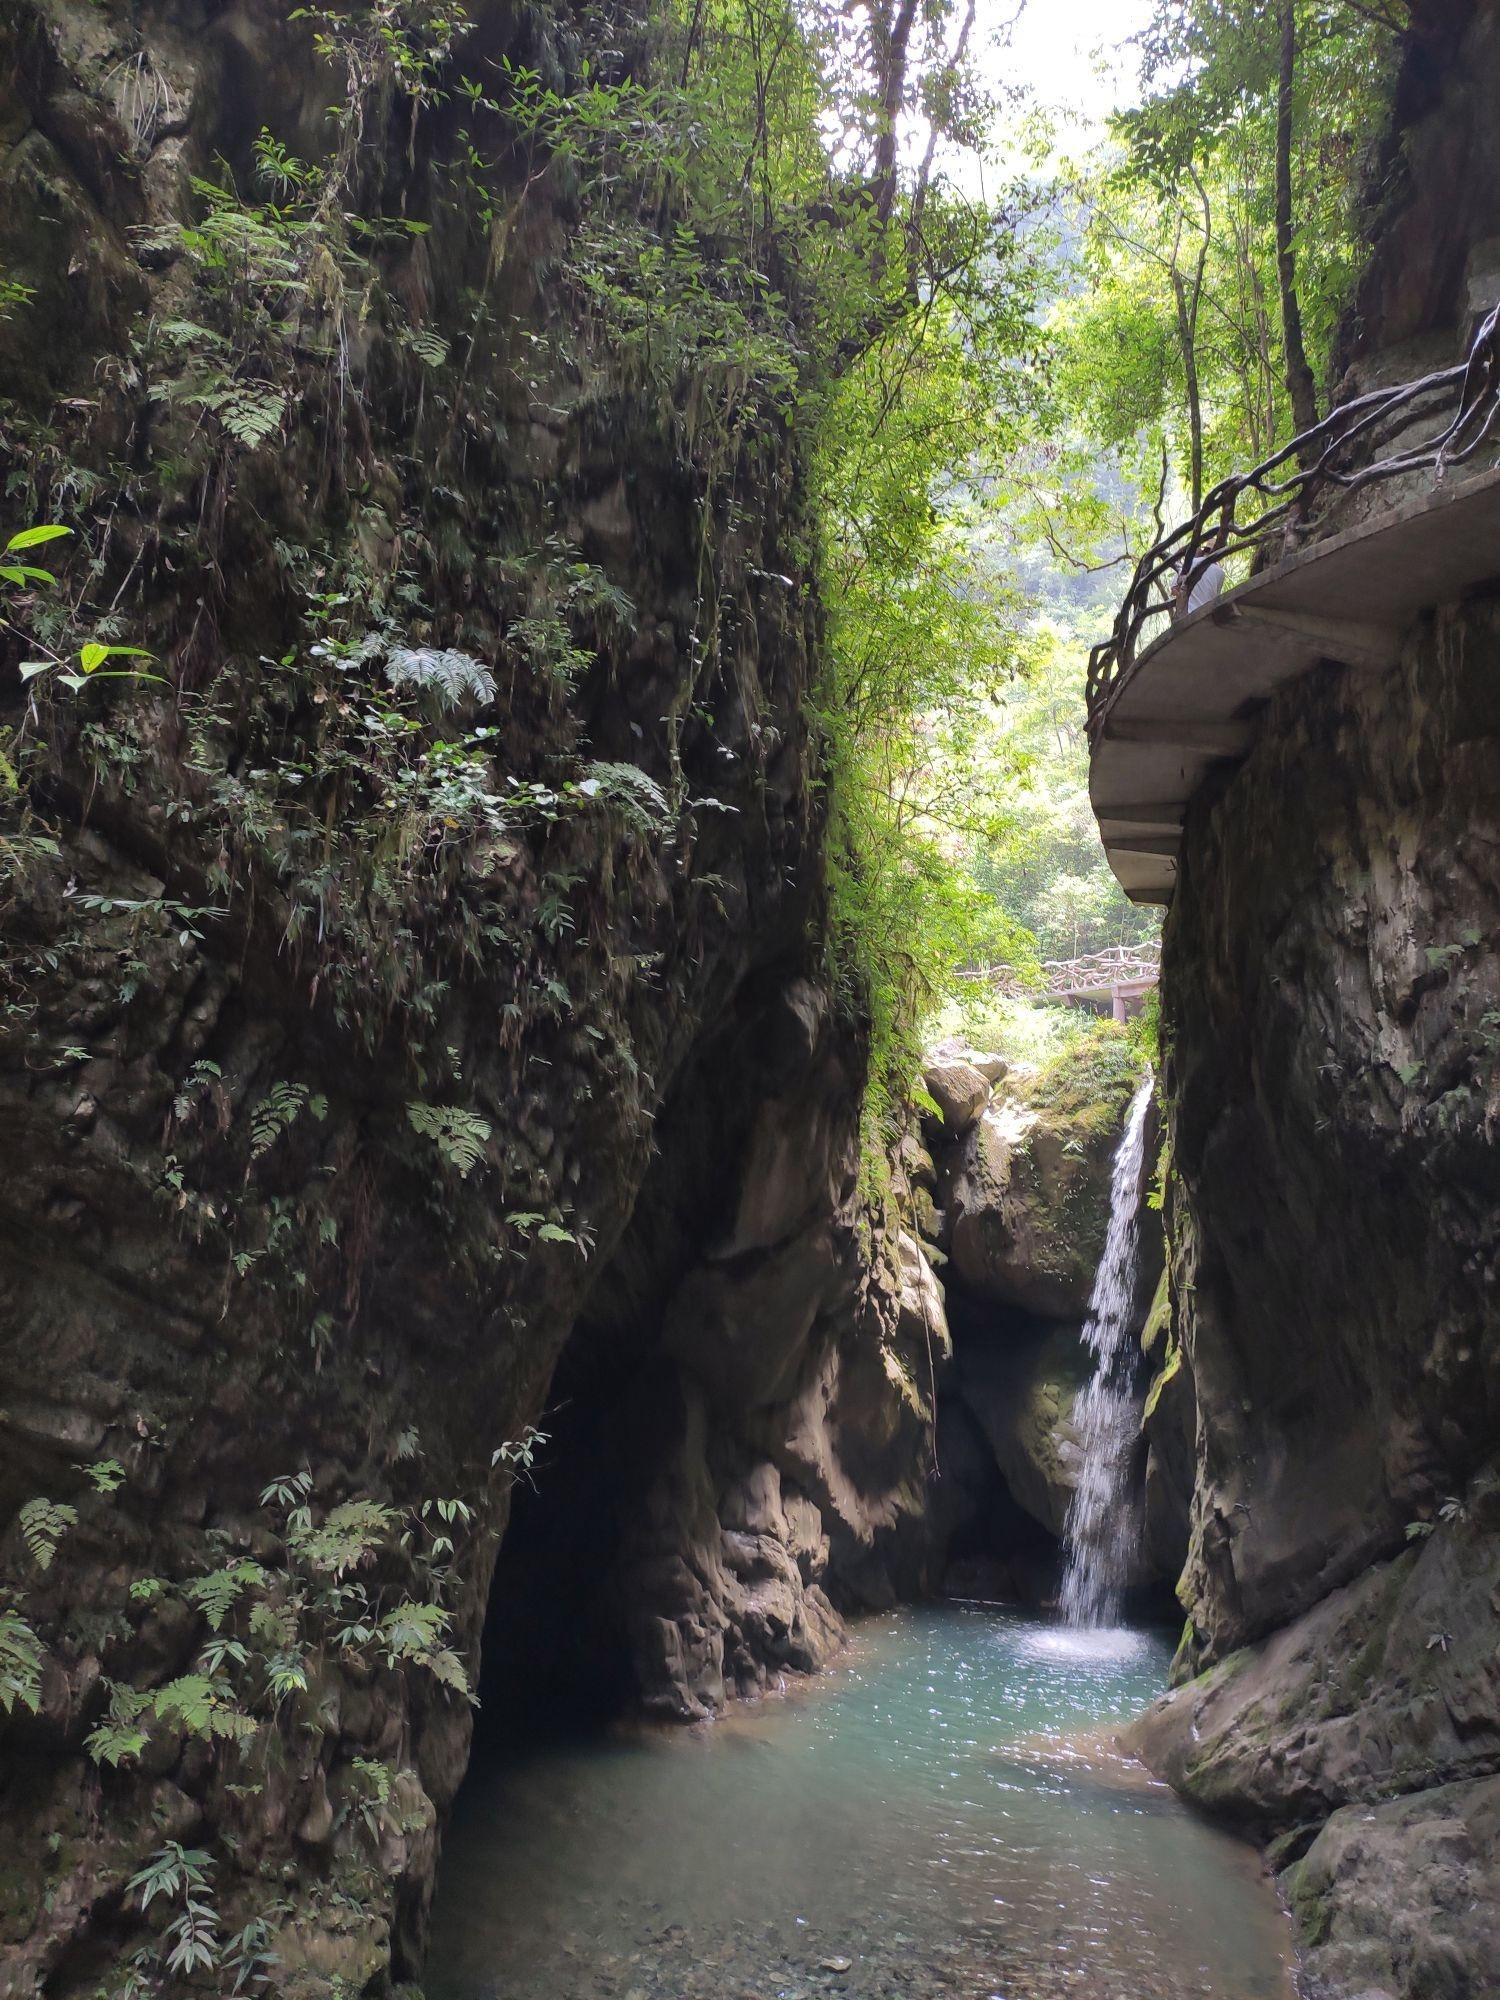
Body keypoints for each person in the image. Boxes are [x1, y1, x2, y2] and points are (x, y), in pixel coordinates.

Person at [1172, 524, 1228, 619]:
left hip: (1185, 615)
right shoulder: (1220, 573)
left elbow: (1174, 590)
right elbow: (1215, 597)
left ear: (1204, 550)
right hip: (1206, 617)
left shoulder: (1190, 563)